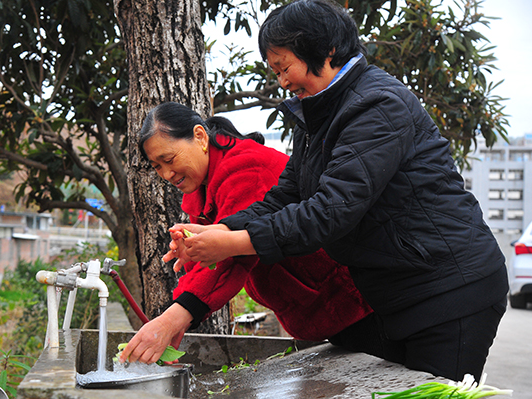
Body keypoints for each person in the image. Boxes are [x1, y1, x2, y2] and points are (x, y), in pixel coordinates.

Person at [164, 0, 508, 382]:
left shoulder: (377, 105)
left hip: (449, 289)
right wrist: (220, 230)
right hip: (398, 294)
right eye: (274, 71)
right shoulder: (318, 115)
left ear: (325, 50)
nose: (282, 81)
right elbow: (286, 195)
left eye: (284, 67)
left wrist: (233, 243)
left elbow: (330, 212)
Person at [118, 101, 372, 364]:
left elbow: (230, 255)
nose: (167, 174)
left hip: (351, 303)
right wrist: (175, 321)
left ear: (200, 136)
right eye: (157, 166)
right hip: (321, 312)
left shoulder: (248, 169)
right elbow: (210, 259)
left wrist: (171, 321)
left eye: (169, 160)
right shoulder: (203, 188)